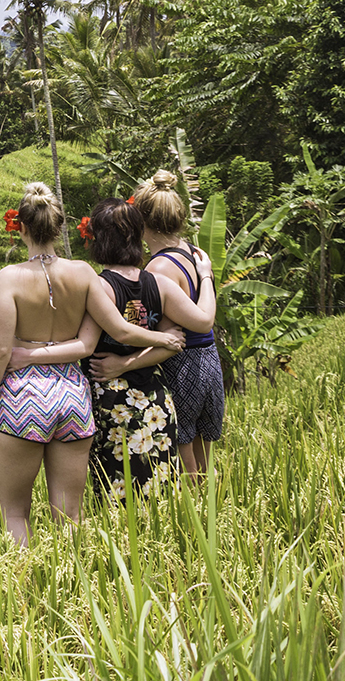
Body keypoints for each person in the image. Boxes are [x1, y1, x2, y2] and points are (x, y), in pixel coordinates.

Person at [0, 183, 178, 545]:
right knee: (70, 514)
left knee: (14, 513)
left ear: (21, 228)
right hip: (73, 395)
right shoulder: (84, 273)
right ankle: (76, 583)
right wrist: (163, 338)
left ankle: (24, 591)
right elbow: (117, 328)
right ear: (60, 228)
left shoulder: (9, 277)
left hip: (23, 397)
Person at [10, 199, 204, 499]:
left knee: (117, 493)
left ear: (96, 239)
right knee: (163, 494)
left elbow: (86, 345)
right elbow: (175, 341)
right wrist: (205, 275)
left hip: (112, 401)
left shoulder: (99, 287)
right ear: (139, 237)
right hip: (156, 400)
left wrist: (29, 353)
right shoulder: (160, 284)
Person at [137, 171, 223, 474]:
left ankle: (199, 517)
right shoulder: (192, 252)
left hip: (184, 364)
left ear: (142, 222)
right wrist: (205, 273)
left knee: (185, 457)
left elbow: (202, 321)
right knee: (205, 461)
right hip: (210, 360)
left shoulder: (159, 267)